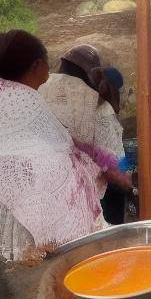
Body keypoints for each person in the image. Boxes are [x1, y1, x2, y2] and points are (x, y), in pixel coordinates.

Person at [0, 31, 123, 261]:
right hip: (39, 215)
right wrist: (107, 166)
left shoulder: (19, 96)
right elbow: (62, 151)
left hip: (11, 217)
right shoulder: (26, 101)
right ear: (37, 65)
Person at [39, 45, 127, 224]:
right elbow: (115, 162)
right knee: (116, 187)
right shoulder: (96, 103)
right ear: (91, 74)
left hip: (37, 193)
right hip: (79, 198)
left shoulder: (34, 88)